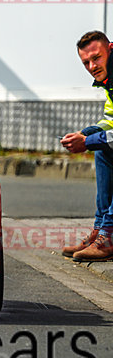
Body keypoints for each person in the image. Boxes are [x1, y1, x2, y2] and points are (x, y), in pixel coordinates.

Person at [60, 30, 113, 262]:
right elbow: (109, 120)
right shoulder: (109, 80)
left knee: (99, 146)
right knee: (103, 150)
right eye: (86, 62)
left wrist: (88, 142)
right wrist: (86, 134)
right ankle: (101, 229)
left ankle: (109, 234)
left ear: (110, 49)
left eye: (97, 58)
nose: (92, 66)